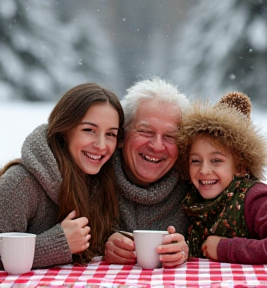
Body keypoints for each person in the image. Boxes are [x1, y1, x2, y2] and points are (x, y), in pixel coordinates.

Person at [0, 83, 124, 269]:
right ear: (65, 130)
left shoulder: (100, 182)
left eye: (110, 134)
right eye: (89, 130)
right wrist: (58, 244)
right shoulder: (21, 182)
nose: (101, 145)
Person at [178, 91, 267, 264]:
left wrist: (225, 248)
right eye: (195, 160)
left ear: (241, 167)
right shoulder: (190, 197)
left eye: (216, 160)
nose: (204, 170)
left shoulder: (256, 198)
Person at [104, 77, 190, 268]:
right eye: (145, 131)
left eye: (170, 136)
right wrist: (101, 245)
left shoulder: (196, 186)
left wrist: (188, 248)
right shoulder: (94, 175)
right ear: (122, 135)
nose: (157, 146)